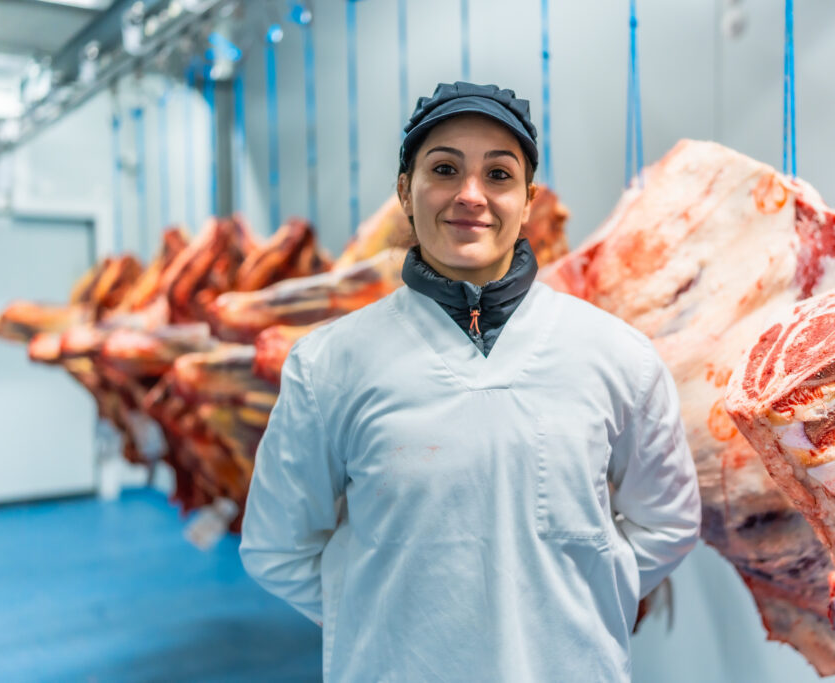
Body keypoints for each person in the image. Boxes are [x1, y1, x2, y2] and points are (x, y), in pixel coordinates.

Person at [240, 81, 701, 682]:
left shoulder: (616, 356)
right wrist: (383, 618)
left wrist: (580, 602)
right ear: (406, 191)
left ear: (529, 200)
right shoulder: (329, 363)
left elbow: (668, 520)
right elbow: (278, 545)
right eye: (444, 168)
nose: (470, 195)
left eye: (499, 175)